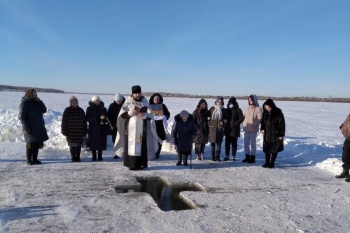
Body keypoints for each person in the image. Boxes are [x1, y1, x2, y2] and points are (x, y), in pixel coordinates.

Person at [114, 85, 161, 170]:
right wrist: (130, 113)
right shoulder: (128, 102)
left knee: (141, 147)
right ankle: (131, 165)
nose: (137, 95)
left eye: (139, 93)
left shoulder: (145, 102)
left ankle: (140, 164)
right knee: (131, 147)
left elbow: (150, 116)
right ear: (132, 94)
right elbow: (121, 116)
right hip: (130, 130)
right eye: (135, 93)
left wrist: (144, 116)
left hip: (142, 129)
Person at [19, 88, 49, 165]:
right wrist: (26, 127)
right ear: (29, 94)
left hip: (38, 126)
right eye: (33, 93)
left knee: (36, 143)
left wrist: (39, 101)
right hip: (30, 127)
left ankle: (35, 159)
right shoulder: (25, 103)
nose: (35, 95)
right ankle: (29, 159)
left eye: (35, 93)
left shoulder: (36, 102)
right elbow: (22, 116)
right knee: (30, 144)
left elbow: (44, 110)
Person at [260, 99, 285, 168]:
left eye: (268, 107)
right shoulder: (265, 113)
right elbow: (262, 122)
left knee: (274, 149)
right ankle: (267, 162)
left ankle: (272, 163)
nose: (267, 108)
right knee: (267, 149)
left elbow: (282, 124)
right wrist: (262, 128)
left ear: (272, 106)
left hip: (275, 134)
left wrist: (281, 134)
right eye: (266, 107)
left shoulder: (278, 112)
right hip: (267, 134)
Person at [61, 96, 87, 162]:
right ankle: (73, 156)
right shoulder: (67, 110)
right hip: (70, 131)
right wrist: (64, 131)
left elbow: (84, 122)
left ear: (77, 102)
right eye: (72, 102)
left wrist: (85, 130)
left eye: (75, 102)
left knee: (78, 145)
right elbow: (64, 122)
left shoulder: (81, 110)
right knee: (72, 145)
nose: (74, 103)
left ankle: (77, 157)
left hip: (79, 131)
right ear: (70, 103)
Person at [86, 95, 108, 161]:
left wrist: (104, 120)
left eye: (98, 100)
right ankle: (94, 156)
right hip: (93, 128)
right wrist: (95, 119)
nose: (97, 102)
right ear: (93, 101)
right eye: (96, 100)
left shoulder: (103, 108)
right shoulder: (89, 108)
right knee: (93, 143)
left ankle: (100, 156)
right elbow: (87, 118)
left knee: (101, 142)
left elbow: (107, 117)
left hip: (102, 128)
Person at [149, 93, 170, 159]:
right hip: (151, 125)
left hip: (160, 126)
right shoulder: (149, 106)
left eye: (158, 99)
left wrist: (164, 117)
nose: (156, 100)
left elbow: (167, 114)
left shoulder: (163, 106)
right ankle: (152, 153)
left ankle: (157, 153)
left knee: (159, 140)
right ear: (153, 99)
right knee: (152, 140)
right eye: (155, 99)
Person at [242, 94, 262, 163]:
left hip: (253, 129)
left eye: (251, 100)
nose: (250, 101)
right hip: (246, 128)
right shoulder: (247, 108)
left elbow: (260, 119)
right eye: (249, 100)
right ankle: (247, 156)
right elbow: (244, 117)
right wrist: (243, 123)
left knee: (253, 144)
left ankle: (252, 157)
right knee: (246, 143)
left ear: (255, 100)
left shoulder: (258, 108)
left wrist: (254, 124)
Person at [208, 96, 228, 162]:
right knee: (212, 144)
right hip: (212, 129)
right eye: (218, 102)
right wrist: (209, 122)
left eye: (220, 103)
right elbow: (208, 116)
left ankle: (217, 157)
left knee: (219, 144)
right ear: (215, 102)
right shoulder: (212, 109)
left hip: (219, 129)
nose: (219, 104)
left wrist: (224, 122)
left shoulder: (224, 110)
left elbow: (226, 119)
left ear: (222, 103)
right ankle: (213, 157)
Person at [224, 97, 244, 161]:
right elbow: (224, 117)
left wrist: (235, 123)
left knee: (234, 144)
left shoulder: (238, 110)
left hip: (235, 130)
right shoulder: (227, 110)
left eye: (232, 103)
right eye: (229, 103)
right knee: (227, 143)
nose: (230, 104)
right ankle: (227, 155)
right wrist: (225, 121)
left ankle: (233, 156)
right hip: (227, 129)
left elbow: (241, 118)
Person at [335, 114, 350, 182]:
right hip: (348, 137)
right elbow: (347, 121)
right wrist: (342, 126)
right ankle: (345, 172)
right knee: (345, 156)